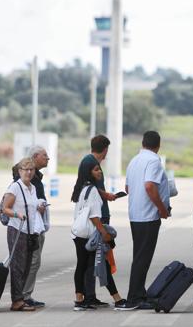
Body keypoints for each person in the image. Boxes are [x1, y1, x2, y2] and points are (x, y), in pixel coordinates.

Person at [116, 131, 170, 311]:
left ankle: (138, 292)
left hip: (135, 215)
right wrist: (162, 208)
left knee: (140, 256)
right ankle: (135, 297)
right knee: (142, 258)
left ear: (143, 143)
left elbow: (128, 187)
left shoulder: (134, 160)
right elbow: (149, 186)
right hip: (148, 216)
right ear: (158, 145)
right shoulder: (154, 161)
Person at [77, 135, 124, 308]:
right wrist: (108, 196)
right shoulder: (90, 163)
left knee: (94, 257)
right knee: (97, 256)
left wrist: (107, 196)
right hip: (97, 216)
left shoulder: (88, 161)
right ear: (105, 149)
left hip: (100, 212)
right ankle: (113, 297)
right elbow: (93, 189)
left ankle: (90, 295)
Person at [1, 157, 43, 312]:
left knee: (27, 266)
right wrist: (16, 214)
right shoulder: (15, 187)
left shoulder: (32, 188)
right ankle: (17, 301)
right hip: (17, 230)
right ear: (19, 171)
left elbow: (32, 207)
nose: (29, 172)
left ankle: (22, 298)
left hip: (30, 231)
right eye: (26, 169)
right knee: (17, 266)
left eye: (32, 169)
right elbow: (5, 208)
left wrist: (40, 207)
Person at [71, 158, 113, 311]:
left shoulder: (83, 188)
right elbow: (94, 216)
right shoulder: (93, 191)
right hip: (86, 234)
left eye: (99, 169)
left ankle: (80, 299)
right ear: (89, 172)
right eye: (96, 169)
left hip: (78, 233)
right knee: (83, 266)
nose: (99, 171)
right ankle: (81, 300)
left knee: (81, 266)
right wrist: (104, 233)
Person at [11, 146, 50, 308]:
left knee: (32, 262)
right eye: (45, 155)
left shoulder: (34, 183)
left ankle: (25, 295)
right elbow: (8, 206)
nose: (48, 158)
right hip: (27, 228)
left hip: (36, 226)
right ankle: (22, 296)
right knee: (28, 262)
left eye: (31, 170)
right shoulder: (19, 184)